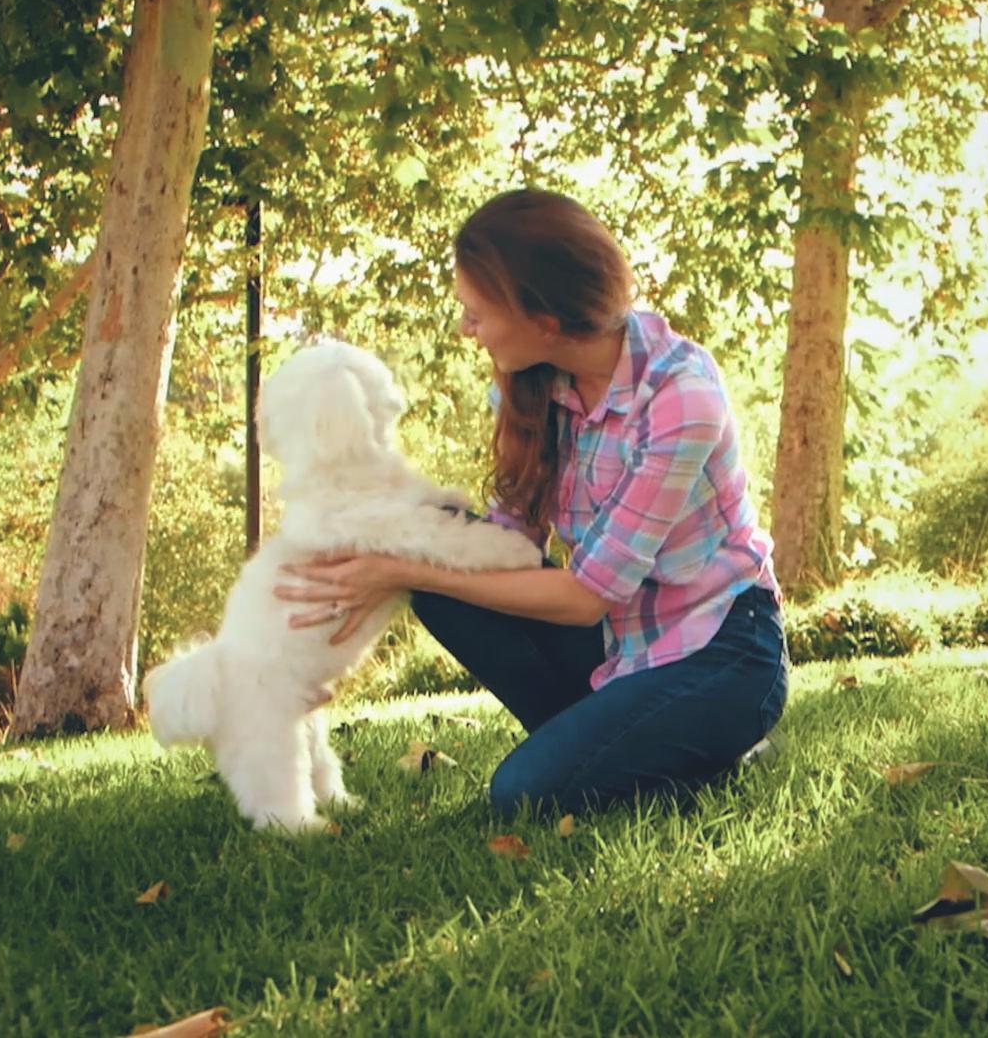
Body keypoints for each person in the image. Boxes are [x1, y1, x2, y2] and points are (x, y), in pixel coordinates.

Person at [275, 188, 787, 817]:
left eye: (477, 313)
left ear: (544, 319)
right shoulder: (536, 382)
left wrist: (401, 569)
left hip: (721, 650)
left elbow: (584, 597)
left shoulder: (679, 399)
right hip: (618, 647)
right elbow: (507, 545)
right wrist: (334, 618)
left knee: (522, 793)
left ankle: (701, 746)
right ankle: (617, 740)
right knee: (430, 534)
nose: (466, 329)